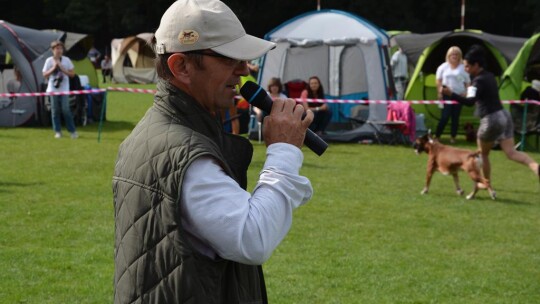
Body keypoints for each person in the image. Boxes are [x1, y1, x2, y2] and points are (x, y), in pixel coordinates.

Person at [112, 1, 314, 303]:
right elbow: (253, 238)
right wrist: (284, 152)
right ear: (181, 67)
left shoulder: (159, 132)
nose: (244, 69)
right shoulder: (182, 150)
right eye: (230, 58)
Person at [442, 45, 539, 189]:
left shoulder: (477, 81)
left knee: (483, 154)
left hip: (491, 119)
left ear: (476, 65)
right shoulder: (490, 76)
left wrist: (452, 94)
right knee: (511, 152)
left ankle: (485, 183)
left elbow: (470, 102)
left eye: (467, 66)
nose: (466, 69)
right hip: (504, 116)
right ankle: (535, 166)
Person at [434, 46, 470, 144]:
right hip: (446, 94)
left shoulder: (463, 68)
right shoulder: (443, 66)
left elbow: (468, 82)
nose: (454, 56)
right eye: (452, 54)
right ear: (448, 56)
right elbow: (438, 80)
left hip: (459, 95)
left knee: (455, 117)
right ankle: (437, 136)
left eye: (456, 54)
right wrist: (439, 91)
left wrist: (466, 93)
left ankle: (453, 137)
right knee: (445, 116)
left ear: (459, 56)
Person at [42, 40, 77, 139]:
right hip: (53, 89)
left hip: (64, 89)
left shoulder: (67, 60)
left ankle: (72, 131)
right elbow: (44, 74)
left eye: (61, 48)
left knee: (66, 109)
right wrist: (54, 67)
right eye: (57, 48)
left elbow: (72, 74)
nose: (59, 50)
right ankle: (57, 131)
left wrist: (62, 68)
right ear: (52, 50)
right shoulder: (48, 61)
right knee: (55, 110)